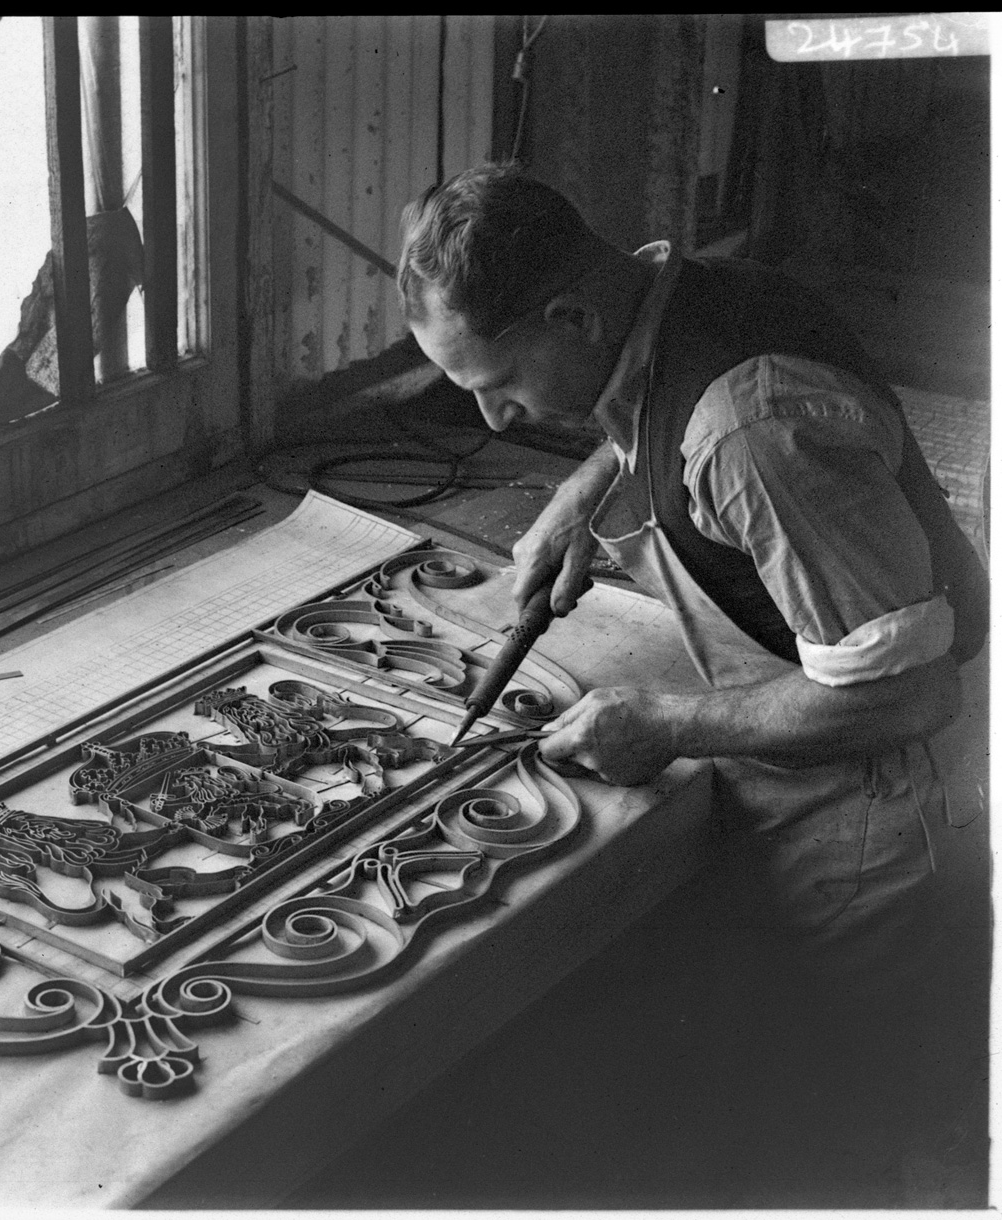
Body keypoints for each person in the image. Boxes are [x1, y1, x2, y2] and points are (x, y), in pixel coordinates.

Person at [396, 162, 987, 1200]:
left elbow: (909, 692)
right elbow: (653, 397)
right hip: (822, 730)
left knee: (859, 1119)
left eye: (495, 384)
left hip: (881, 796)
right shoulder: (682, 295)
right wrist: (595, 483)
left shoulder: (751, 437)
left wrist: (660, 718)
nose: (493, 422)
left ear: (571, 313)